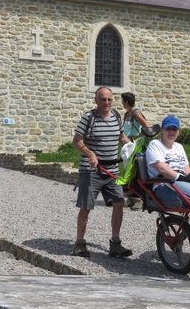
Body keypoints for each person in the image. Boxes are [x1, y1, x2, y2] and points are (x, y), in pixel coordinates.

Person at [72, 86, 132, 258]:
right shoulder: (89, 118)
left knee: (119, 202)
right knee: (86, 206)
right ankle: (79, 243)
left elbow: (121, 136)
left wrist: (131, 147)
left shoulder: (117, 117)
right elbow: (76, 141)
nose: (106, 103)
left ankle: (115, 243)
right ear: (96, 100)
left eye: (109, 99)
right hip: (91, 171)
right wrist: (90, 153)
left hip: (112, 170)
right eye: (103, 99)